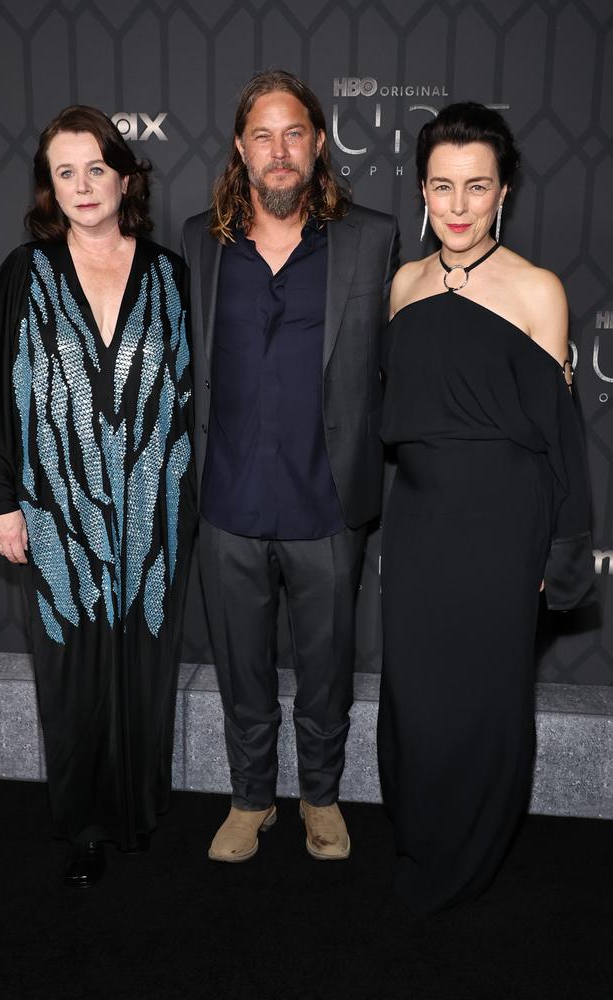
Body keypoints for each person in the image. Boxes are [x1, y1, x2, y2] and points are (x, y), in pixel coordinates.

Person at [378, 102, 596, 914]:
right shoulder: (401, 285)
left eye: (477, 187)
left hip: (504, 528)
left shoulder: (538, 289)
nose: (459, 206)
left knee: (485, 701)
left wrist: (562, 551)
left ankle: (464, 862)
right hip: (419, 524)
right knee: (416, 697)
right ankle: (420, 837)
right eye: (443, 187)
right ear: (422, 192)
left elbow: (562, 442)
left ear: (503, 192)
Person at [0, 105, 196, 888]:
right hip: (57, 512)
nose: (81, 186)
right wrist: (1, 502)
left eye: (95, 168)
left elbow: (197, 393)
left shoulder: (172, 274)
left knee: (144, 665)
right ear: (49, 188)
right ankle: (86, 827)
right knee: (70, 674)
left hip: (154, 516)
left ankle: (138, 809)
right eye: (64, 172)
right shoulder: (23, 273)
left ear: (125, 174)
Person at [181, 70, 398, 863]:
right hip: (228, 500)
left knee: (326, 669)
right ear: (241, 147)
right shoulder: (196, 242)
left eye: (294, 134)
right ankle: (248, 800)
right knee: (241, 667)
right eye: (263, 135)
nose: (280, 152)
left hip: (327, 501)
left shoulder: (372, 239)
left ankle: (320, 797)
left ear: (318, 143)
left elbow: (406, 361)